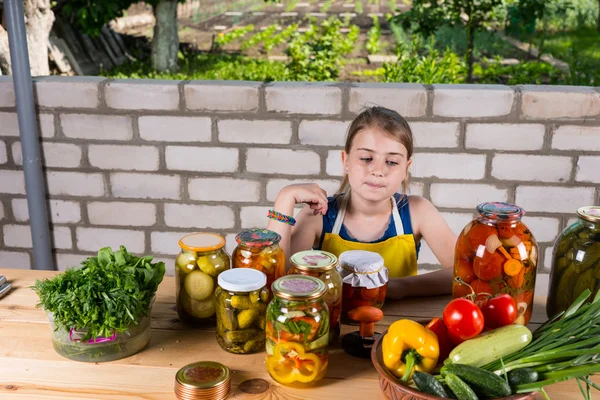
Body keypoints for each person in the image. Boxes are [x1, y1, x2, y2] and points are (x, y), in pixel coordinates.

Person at [266, 106, 456, 300]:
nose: (378, 170)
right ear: (346, 161)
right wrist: (285, 198)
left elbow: (464, 274)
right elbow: (279, 283)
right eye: (366, 158)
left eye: (391, 162)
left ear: (406, 169)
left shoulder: (418, 212)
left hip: (400, 327)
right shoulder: (318, 216)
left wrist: (400, 287)